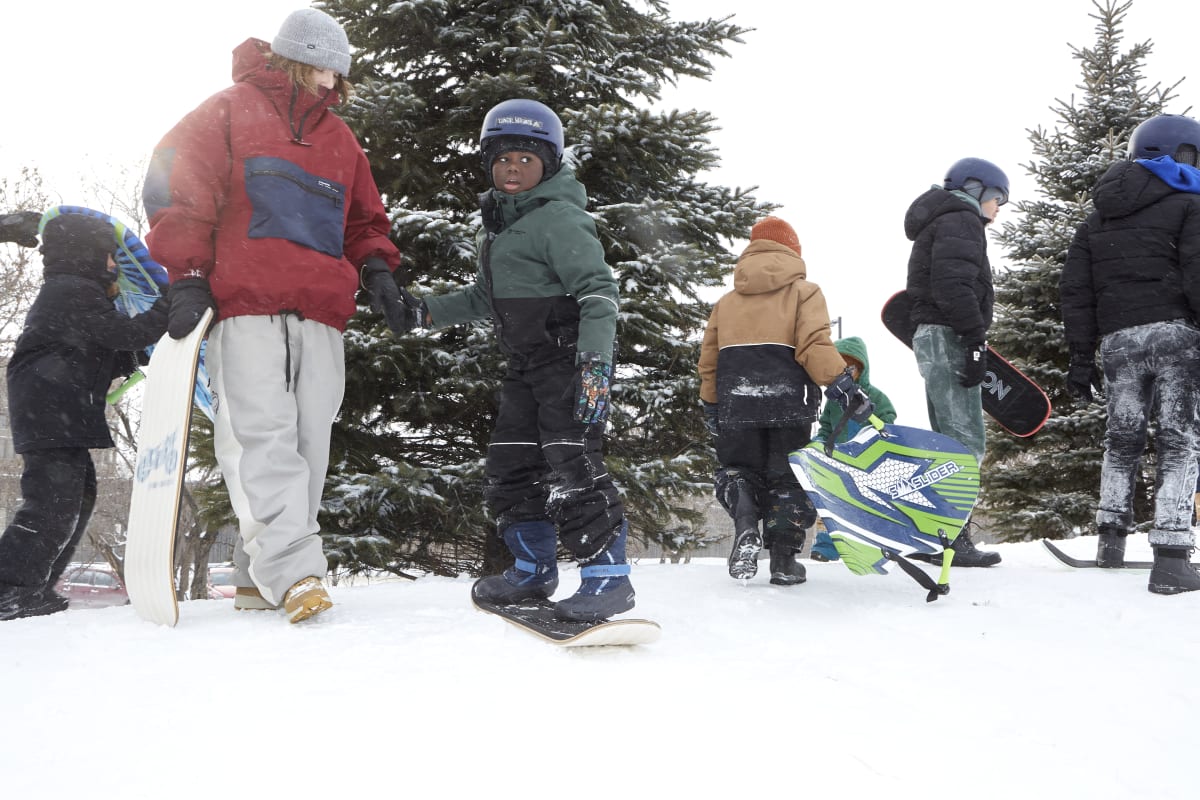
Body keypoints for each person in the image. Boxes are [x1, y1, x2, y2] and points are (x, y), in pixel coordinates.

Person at [143, 8, 416, 623]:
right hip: (245, 303)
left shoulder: (341, 140)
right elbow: (179, 191)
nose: (335, 84)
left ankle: (252, 572)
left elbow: (365, 221)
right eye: (327, 70)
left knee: (306, 445)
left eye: (340, 74)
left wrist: (377, 271)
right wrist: (186, 276)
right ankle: (295, 571)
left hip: (320, 310)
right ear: (300, 58)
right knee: (261, 436)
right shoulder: (227, 111)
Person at [412, 98, 632, 623]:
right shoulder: (500, 227)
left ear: (548, 165)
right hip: (524, 366)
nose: (513, 169)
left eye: (526, 161)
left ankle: (608, 579)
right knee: (510, 467)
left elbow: (599, 294)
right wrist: (423, 312)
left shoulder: (558, 218)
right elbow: (486, 297)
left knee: (573, 461)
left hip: (567, 362)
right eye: (503, 160)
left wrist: (595, 366)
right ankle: (533, 569)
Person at [0, 212, 168, 621]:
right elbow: (122, 335)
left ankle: (33, 584)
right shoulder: (71, 289)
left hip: (56, 408)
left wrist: (133, 357)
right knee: (53, 502)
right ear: (85, 254)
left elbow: (101, 348)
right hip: (50, 408)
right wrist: (170, 304)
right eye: (109, 256)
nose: (113, 265)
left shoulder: (74, 293)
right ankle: (10, 589)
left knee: (78, 497)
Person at [1061, 113, 1200, 592]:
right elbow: (1197, 275)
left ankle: (1110, 541)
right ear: (1183, 153)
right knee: (1179, 438)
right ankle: (1172, 556)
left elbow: (1076, 291)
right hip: (1177, 338)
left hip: (1118, 343)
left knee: (1122, 439)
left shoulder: (1098, 217)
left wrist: (1081, 357)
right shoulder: (1189, 205)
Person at [698, 216, 873, 586]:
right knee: (787, 478)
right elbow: (813, 345)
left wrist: (711, 404)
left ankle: (746, 526)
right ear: (793, 251)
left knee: (738, 469)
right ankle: (783, 560)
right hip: (787, 401)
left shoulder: (725, 303)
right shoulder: (804, 292)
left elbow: (709, 361)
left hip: (736, 400)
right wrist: (841, 383)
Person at [902, 157, 1008, 568]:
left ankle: (937, 534)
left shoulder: (941, 220)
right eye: (997, 198)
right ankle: (949, 539)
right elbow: (953, 284)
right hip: (949, 335)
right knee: (965, 442)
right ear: (977, 188)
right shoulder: (961, 219)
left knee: (946, 438)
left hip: (934, 336)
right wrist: (974, 338)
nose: (998, 208)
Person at [810, 336, 898, 561]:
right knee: (831, 504)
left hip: (869, 462)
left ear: (861, 368)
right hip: (839, 460)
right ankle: (826, 547)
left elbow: (888, 420)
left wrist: (877, 437)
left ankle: (870, 549)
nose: (848, 372)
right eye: (842, 367)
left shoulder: (875, 396)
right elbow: (827, 427)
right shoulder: (833, 402)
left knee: (868, 507)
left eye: (851, 367)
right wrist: (819, 444)